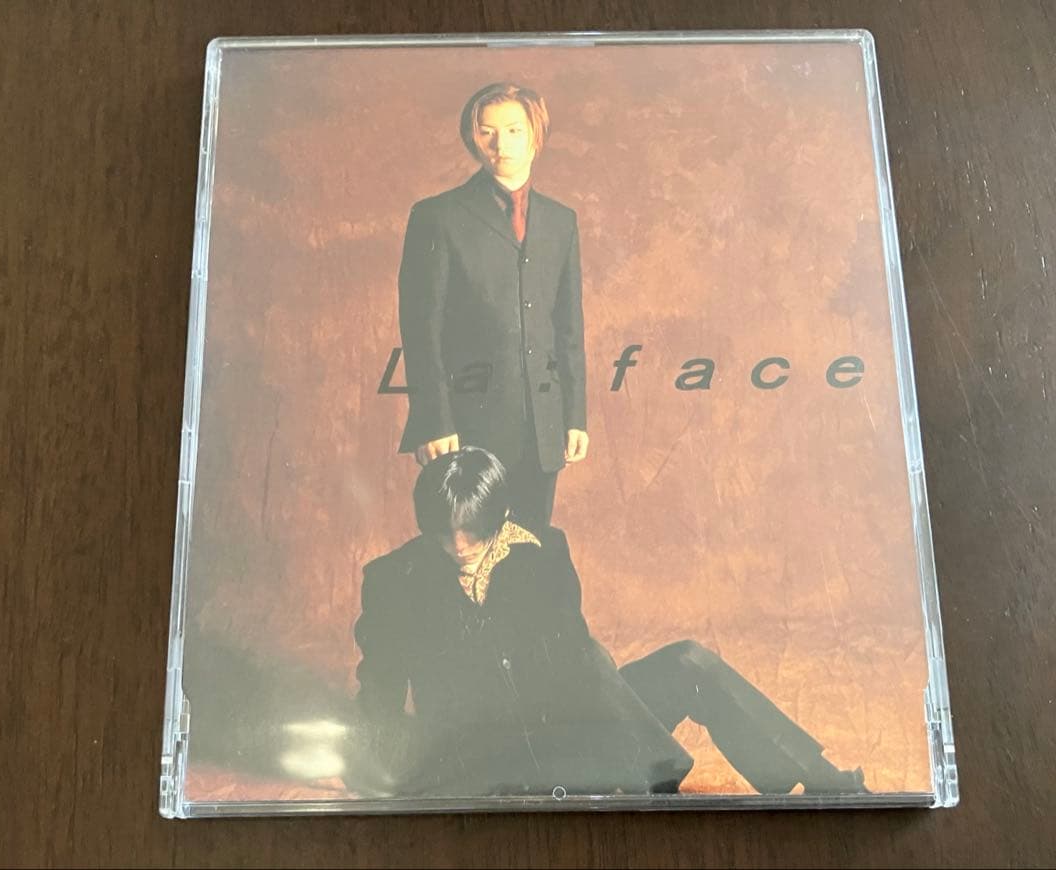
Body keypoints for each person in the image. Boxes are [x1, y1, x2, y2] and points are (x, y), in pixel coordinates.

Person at [347, 447, 869, 798]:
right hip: (484, 758)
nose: (459, 546)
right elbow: (379, 691)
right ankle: (650, 777)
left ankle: (822, 782)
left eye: (473, 533)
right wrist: (384, 770)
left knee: (685, 661)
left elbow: (572, 666)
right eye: (445, 533)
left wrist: (604, 730)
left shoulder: (543, 552)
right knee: (595, 663)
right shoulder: (393, 578)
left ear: (501, 519)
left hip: (571, 735)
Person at [396, 82, 588, 535]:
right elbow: (421, 330)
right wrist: (433, 420)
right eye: (487, 132)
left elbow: (568, 327)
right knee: (465, 557)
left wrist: (574, 416)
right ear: (473, 138)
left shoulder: (561, 221)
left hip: (542, 431)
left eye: (514, 130)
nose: (501, 144)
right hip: (463, 429)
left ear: (536, 135)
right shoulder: (438, 216)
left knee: (528, 554)